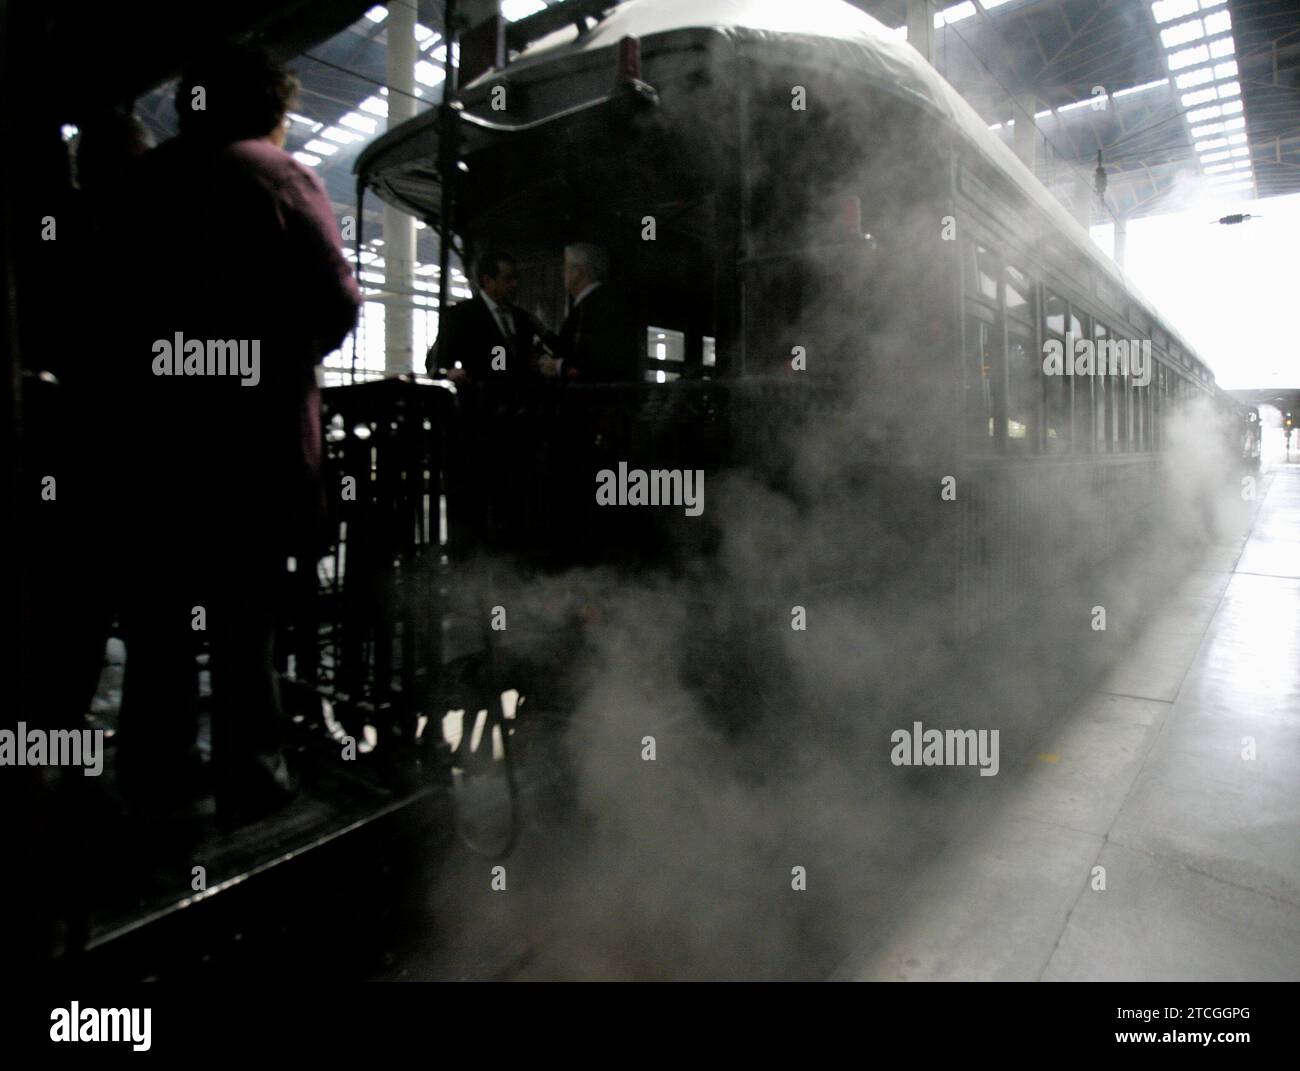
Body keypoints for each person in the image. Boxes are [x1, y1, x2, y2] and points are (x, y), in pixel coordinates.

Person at [105, 43, 361, 821]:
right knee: (245, 619)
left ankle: (155, 778)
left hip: (150, 448)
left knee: (158, 632)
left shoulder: (138, 184)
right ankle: (254, 777)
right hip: (249, 450)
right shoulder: (276, 176)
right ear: (270, 110)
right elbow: (336, 304)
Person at [424, 249, 549, 383]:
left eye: (516, 278)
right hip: (479, 398)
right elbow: (435, 362)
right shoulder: (462, 315)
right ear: (488, 281)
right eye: (508, 279)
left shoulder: (522, 318)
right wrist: (449, 373)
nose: (515, 284)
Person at [544, 242, 638, 383]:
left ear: (578, 272)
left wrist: (558, 366)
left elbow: (592, 363)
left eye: (566, 267)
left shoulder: (589, 309)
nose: (563, 272)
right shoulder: (602, 302)